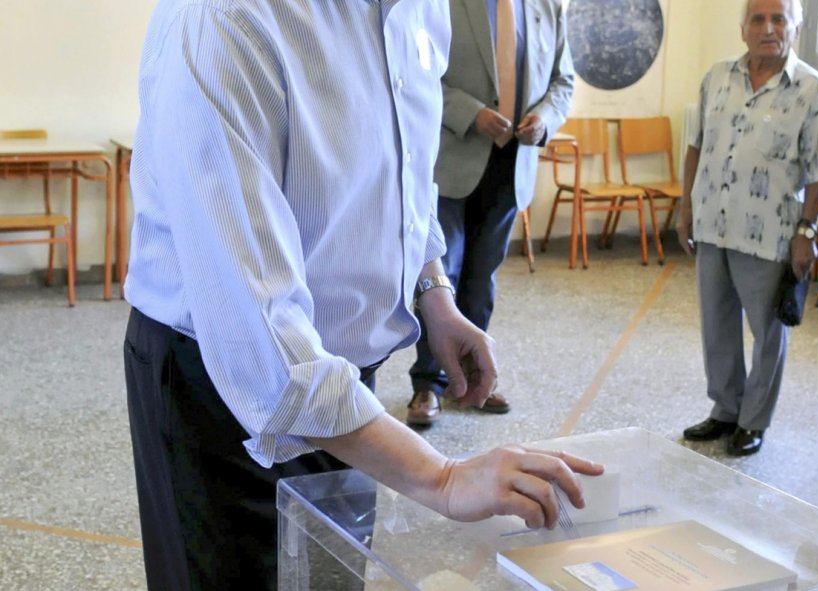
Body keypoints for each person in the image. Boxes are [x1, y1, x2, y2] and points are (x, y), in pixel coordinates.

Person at [122, 1, 603, 589]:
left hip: (346, 389)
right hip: (222, 388)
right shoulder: (225, 18)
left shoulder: (421, 8)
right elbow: (261, 341)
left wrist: (433, 292)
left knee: (331, 575)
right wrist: (442, 477)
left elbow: (407, 171)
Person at [675, 0, 818, 456]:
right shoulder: (717, 77)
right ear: (743, 27)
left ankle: (753, 420)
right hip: (712, 223)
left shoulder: (813, 90)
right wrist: (685, 208)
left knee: (767, 331)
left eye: (779, 19)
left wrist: (808, 232)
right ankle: (726, 409)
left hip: (771, 234)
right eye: (758, 19)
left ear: (796, 27)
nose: (769, 28)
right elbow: (696, 146)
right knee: (717, 325)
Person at [405, 0, 574, 426]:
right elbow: (415, 70)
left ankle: (476, 377)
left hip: (513, 162)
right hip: (451, 161)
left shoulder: (547, 8)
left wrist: (546, 119)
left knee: (483, 278)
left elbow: (563, 81)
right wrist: (471, 113)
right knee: (444, 273)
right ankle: (429, 384)